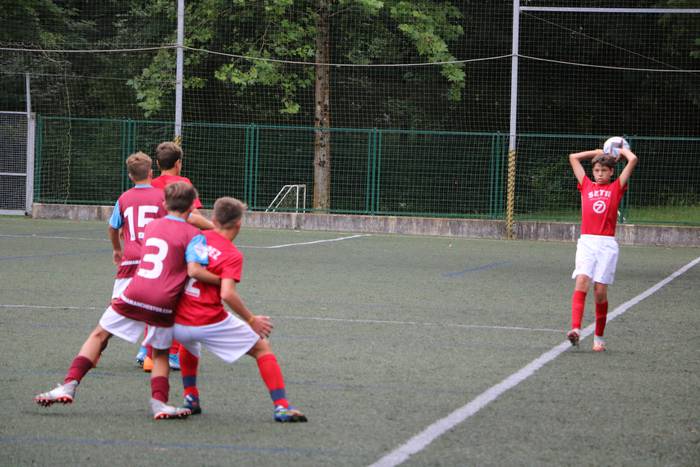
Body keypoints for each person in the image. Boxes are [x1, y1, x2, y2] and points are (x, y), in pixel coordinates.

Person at [34, 183, 219, 419]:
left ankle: (68, 385)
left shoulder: (152, 226)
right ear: (192, 207)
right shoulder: (195, 236)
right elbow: (195, 270)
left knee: (99, 335)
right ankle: (159, 404)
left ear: (164, 204)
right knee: (160, 353)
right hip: (164, 301)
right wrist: (221, 280)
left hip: (136, 290)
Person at [173, 197, 308, 422]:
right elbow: (227, 293)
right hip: (209, 321)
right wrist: (251, 319)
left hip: (179, 323)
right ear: (239, 224)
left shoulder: (197, 237)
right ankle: (282, 406)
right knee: (262, 348)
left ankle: (190, 397)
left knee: (189, 342)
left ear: (213, 219)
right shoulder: (232, 254)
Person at [136, 141, 214, 371]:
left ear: (157, 164)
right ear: (178, 163)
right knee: (182, 302)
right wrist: (214, 228)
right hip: (177, 249)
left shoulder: (150, 185)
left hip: (151, 248)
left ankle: (145, 349)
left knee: (155, 300)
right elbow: (193, 215)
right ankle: (171, 354)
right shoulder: (183, 184)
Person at [567, 142, 638, 352]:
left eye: (604, 170)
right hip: (587, 241)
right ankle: (576, 330)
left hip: (606, 244)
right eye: (596, 170)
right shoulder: (586, 185)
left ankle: (598, 337)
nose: (599, 174)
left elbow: (632, 159)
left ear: (611, 171)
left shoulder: (616, 187)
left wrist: (620, 150)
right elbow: (573, 157)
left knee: (599, 291)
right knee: (581, 280)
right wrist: (597, 152)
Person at [108, 152, 166, 301]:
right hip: (156, 259)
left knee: (116, 302)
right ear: (151, 173)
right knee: (157, 302)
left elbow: (113, 227)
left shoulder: (124, 198)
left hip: (131, 258)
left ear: (131, 176)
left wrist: (116, 249)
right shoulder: (162, 197)